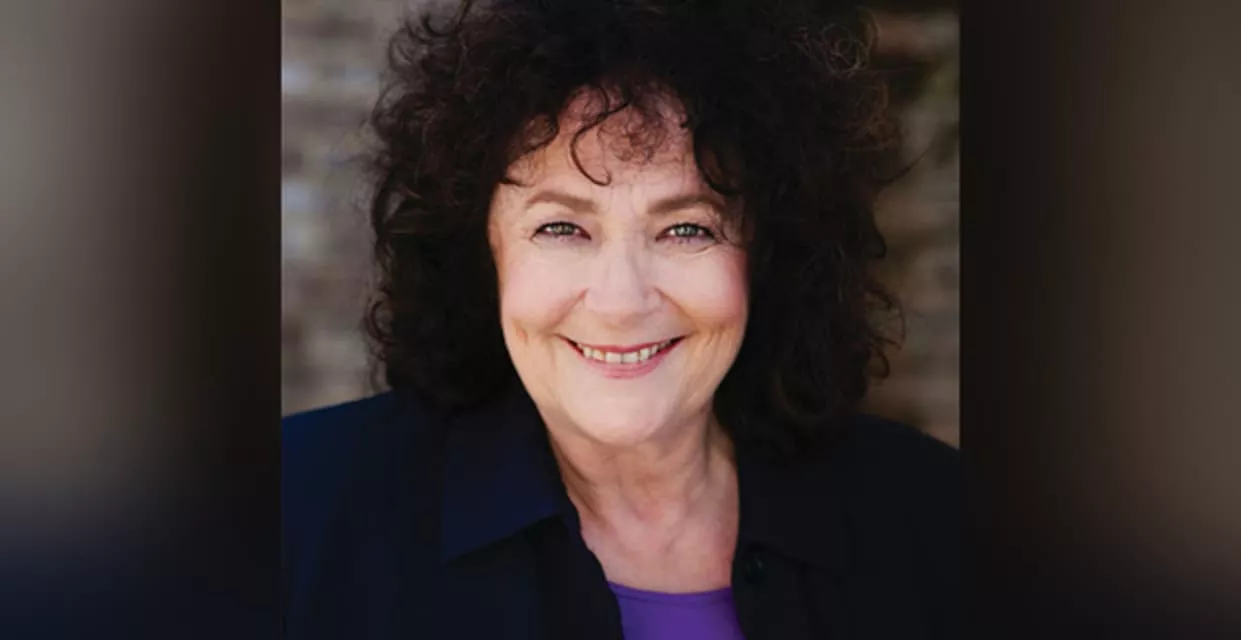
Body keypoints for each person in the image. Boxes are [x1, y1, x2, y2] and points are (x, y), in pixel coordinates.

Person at [283, 0, 959, 638]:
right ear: (480, 253)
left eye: (687, 230)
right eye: (560, 228)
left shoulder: (937, 518)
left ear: (769, 254)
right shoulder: (290, 514)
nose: (621, 301)